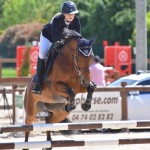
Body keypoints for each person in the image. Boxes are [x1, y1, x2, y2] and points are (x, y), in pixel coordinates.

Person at [32, 1, 81, 94]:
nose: (71, 16)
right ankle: (38, 82)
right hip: (48, 37)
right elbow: (55, 37)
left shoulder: (76, 21)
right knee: (42, 54)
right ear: (63, 14)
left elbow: (78, 36)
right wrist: (69, 36)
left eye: (73, 13)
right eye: (68, 14)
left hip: (64, 40)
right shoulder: (57, 19)